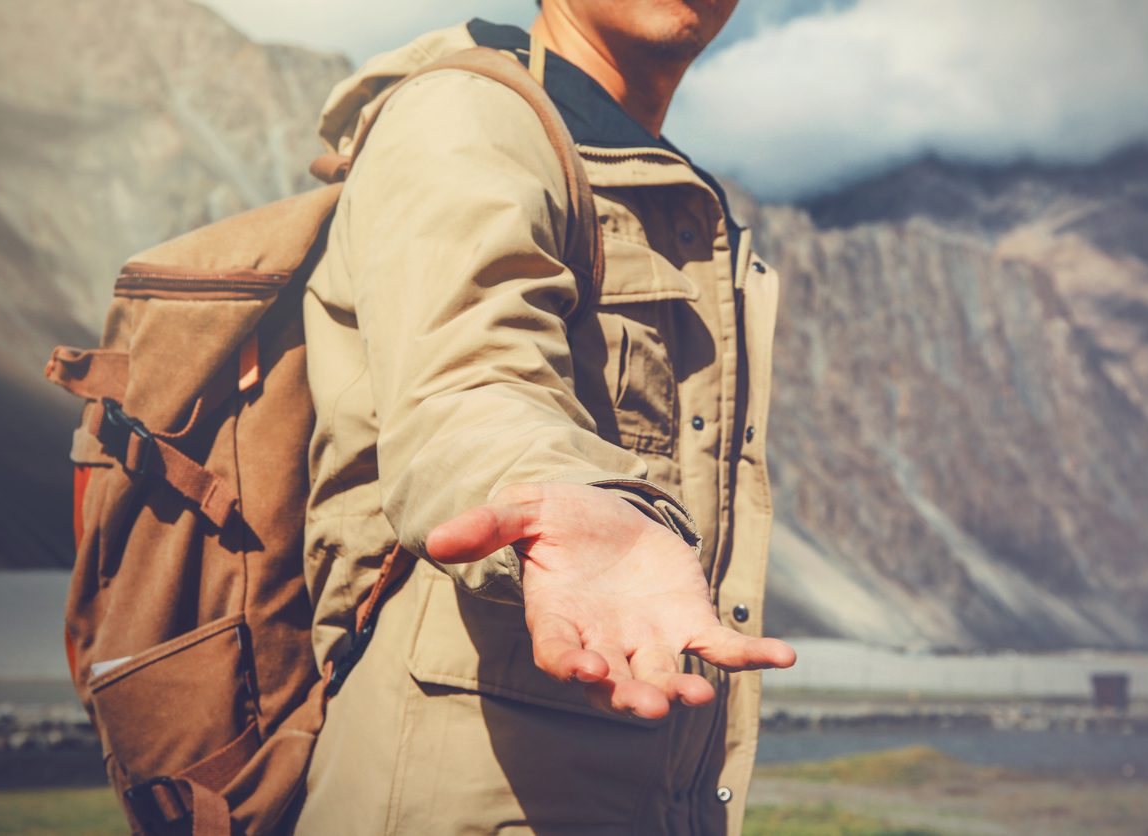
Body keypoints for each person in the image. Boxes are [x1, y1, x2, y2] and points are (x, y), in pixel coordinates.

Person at [295, 2, 794, 833]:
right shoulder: (468, 114)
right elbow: (467, 374)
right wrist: (549, 490)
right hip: (455, 799)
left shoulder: (652, 180)